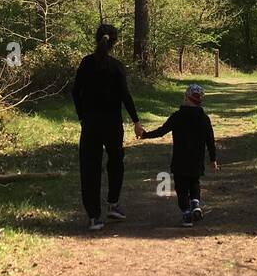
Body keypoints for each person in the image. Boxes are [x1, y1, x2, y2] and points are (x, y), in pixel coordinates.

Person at [72, 24, 144, 232]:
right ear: (115, 43)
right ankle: (113, 203)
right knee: (116, 161)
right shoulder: (117, 67)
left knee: (89, 167)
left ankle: (94, 217)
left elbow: (76, 92)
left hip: (91, 123)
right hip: (113, 123)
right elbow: (125, 96)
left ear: (97, 39)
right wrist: (136, 121)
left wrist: (82, 116)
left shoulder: (86, 63)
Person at [141, 83, 217, 226]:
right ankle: (195, 204)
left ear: (186, 98)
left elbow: (162, 131)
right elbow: (210, 141)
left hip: (180, 161)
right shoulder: (204, 118)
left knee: (181, 188)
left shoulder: (177, 116)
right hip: (197, 160)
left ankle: (187, 215)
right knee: (194, 184)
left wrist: (145, 135)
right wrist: (213, 159)